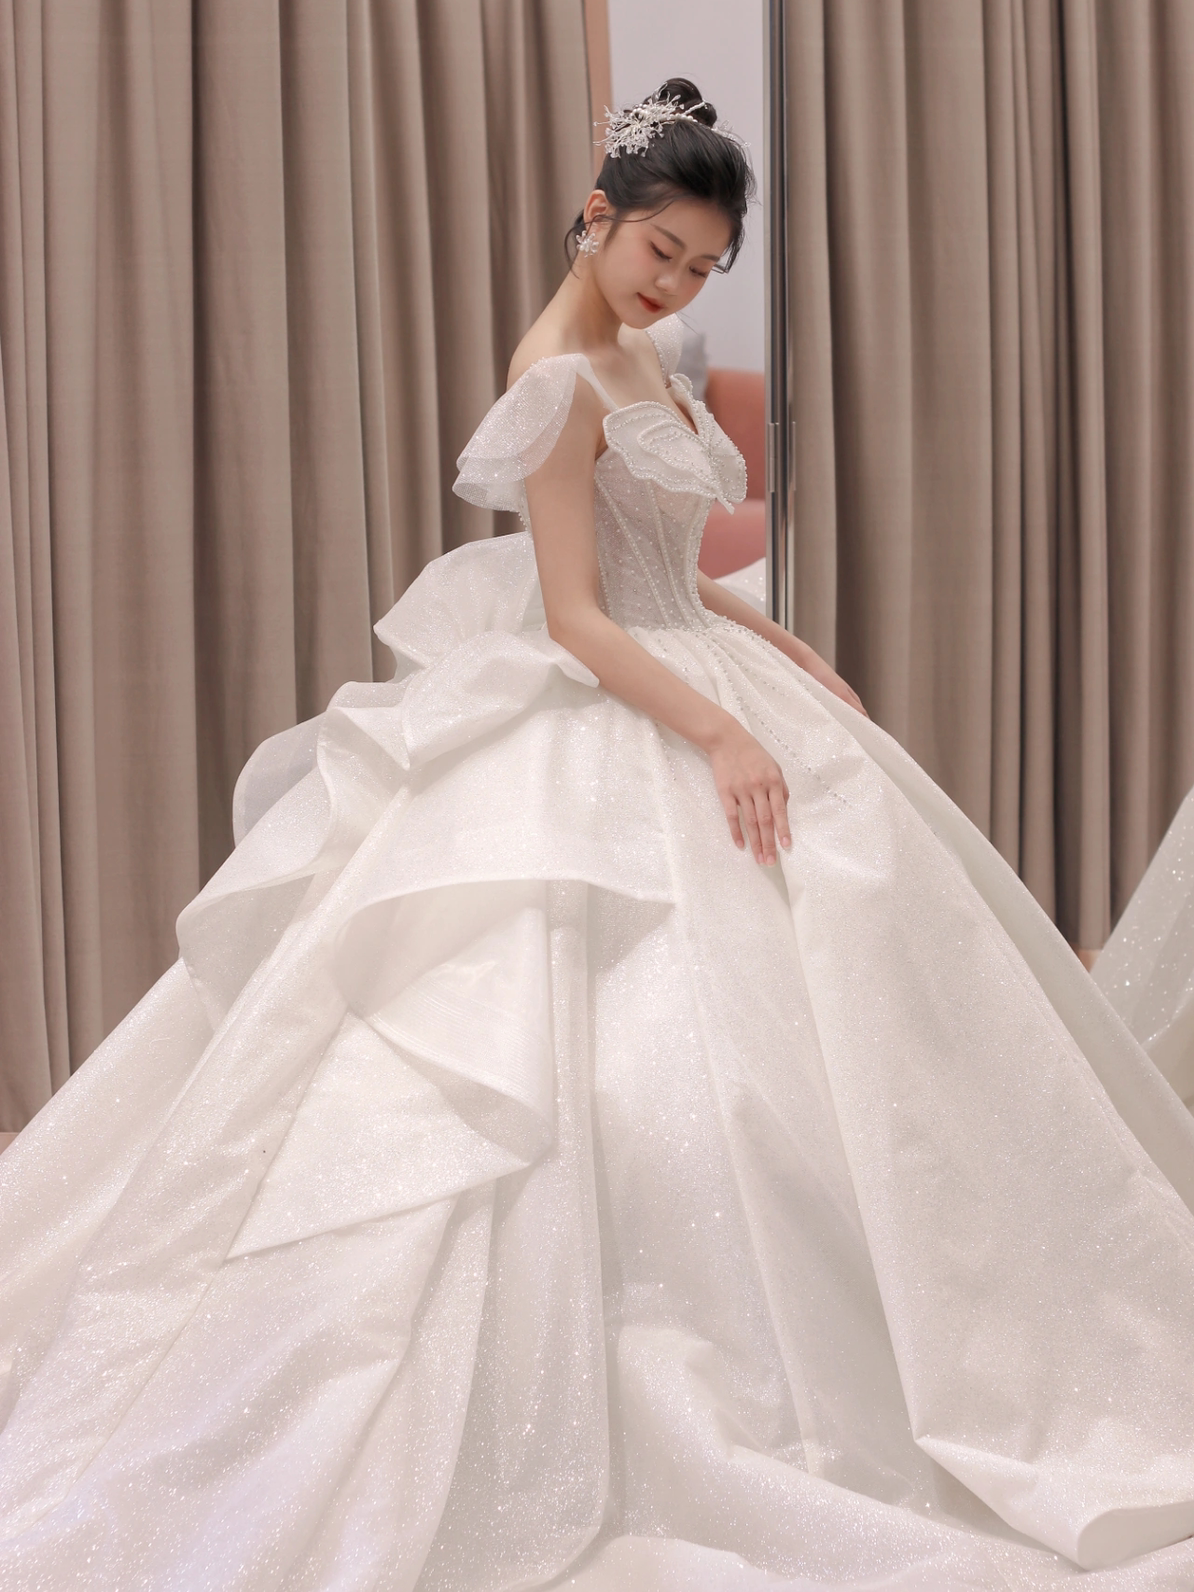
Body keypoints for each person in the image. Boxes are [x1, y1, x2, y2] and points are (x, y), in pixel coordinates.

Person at [1, 77, 1194, 1592]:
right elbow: (575, 615)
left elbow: (668, 576)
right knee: (632, 1040)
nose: (674, 285)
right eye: (658, 252)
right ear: (596, 218)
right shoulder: (555, 380)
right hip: (616, 705)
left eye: (701, 267)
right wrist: (718, 732)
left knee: (878, 1000)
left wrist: (784, 656)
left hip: (697, 662)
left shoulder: (646, 352)